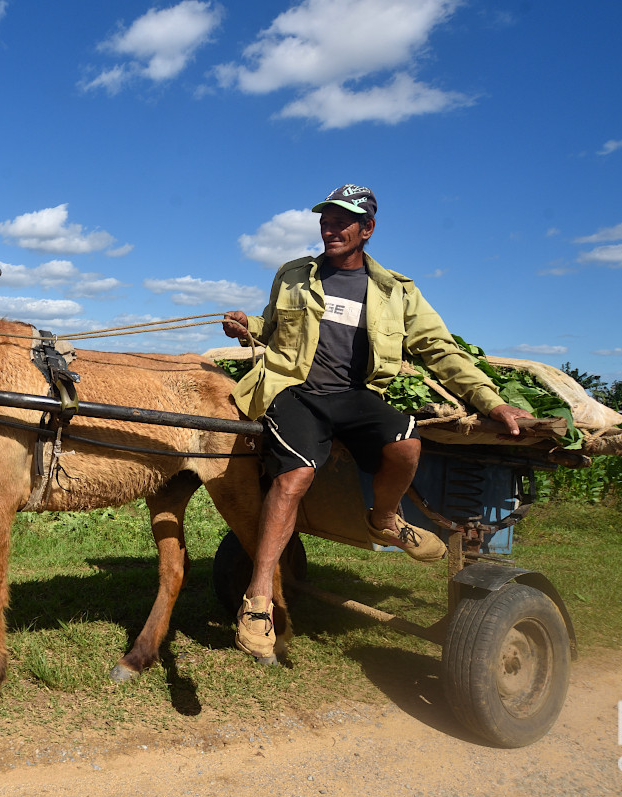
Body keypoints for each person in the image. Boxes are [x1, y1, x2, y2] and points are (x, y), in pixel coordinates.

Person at [222, 183, 534, 663]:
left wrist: (491, 403)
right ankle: (258, 598)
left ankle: (385, 519)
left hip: (356, 396)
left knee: (406, 443)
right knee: (295, 474)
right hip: (294, 390)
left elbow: (439, 349)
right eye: (326, 218)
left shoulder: (395, 291)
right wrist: (248, 328)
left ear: (367, 229)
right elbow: (272, 328)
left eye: (343, 220)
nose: (331, 227)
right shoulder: (292, 275)